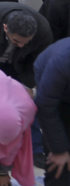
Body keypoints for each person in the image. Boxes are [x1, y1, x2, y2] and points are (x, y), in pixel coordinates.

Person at [0, 2, 53, 87]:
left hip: (19, 65)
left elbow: (38, 63)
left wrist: (26, 85)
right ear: (6, 28)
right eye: (16, 40)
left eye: (27, 41)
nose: (21, 45)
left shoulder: (43, 32)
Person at [35, 38, 70, 186]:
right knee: (61, 165)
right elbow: (45, 106)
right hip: (57, 98)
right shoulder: (61, 62)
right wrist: (59, 150)